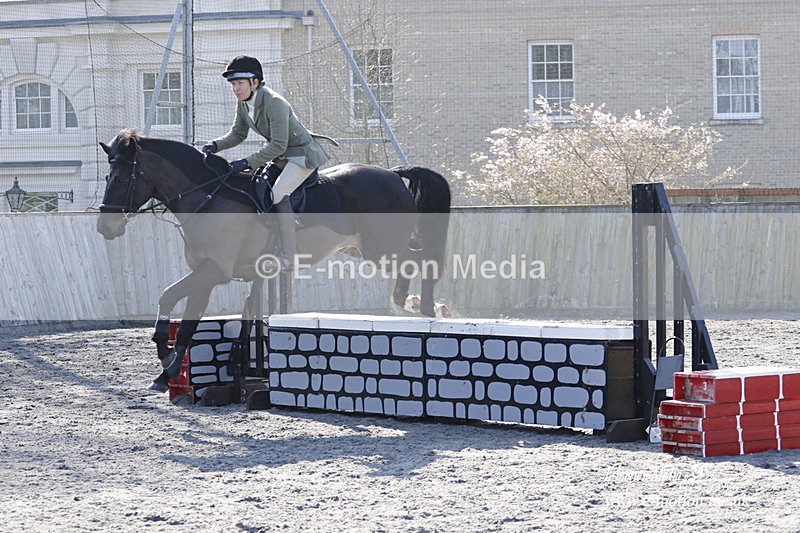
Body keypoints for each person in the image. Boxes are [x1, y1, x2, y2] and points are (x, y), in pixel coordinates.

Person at [202, 55, 334, 270]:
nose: (236, 89)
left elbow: (279, 146)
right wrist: (215, 145)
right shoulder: (244, 104)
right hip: (283, 156)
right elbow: (237, 134)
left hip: (302, 155)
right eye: (233, 84)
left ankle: (289, 256)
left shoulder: (274, 103)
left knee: (279, 193)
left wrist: (245, 162)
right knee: (257, 186)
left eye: (240, 83)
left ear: (255, 82)